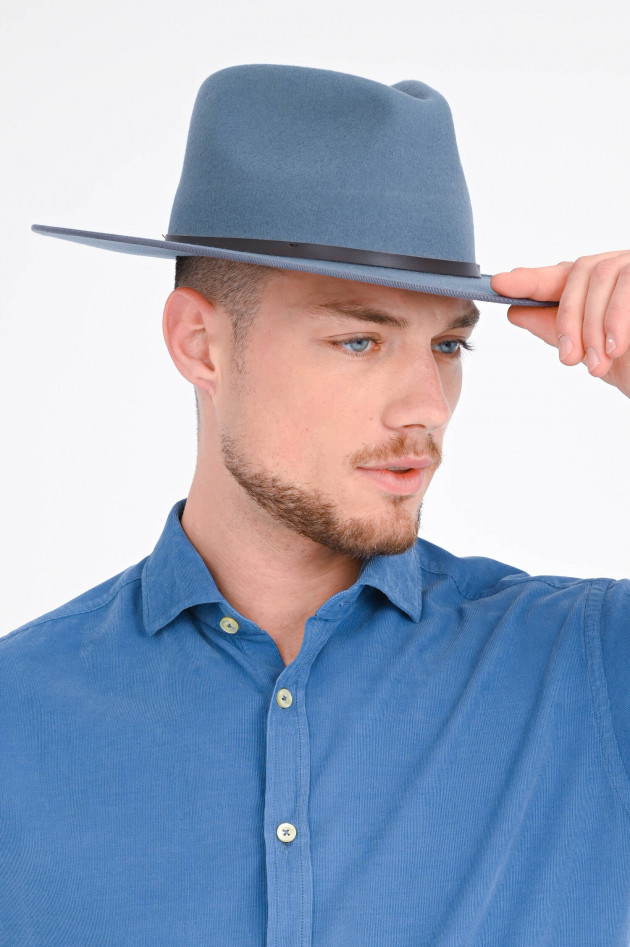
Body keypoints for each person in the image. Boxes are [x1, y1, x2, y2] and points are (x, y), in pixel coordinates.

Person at [2, 64, 629, 946]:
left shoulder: (593, 670)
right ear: (200, 343)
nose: (426, 404)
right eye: (361, 338)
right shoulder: (16, 716)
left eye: (449, 343)